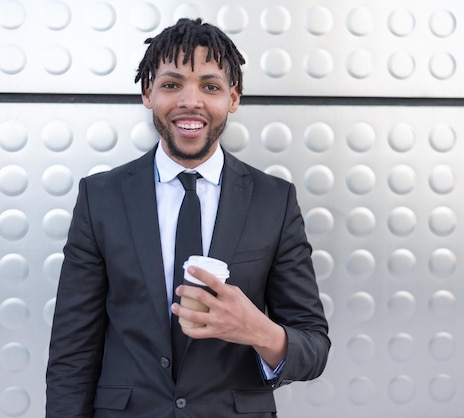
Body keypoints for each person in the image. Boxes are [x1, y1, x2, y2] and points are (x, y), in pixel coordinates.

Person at [46, 17, 330, 417]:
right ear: (148, 93)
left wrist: (257, 330)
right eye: (171, 84)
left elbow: (314, 347)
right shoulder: (101, 198)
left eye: (210, 86)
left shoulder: (274, 201)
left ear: (234, 97)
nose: (190, 101)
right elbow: (72, 351)